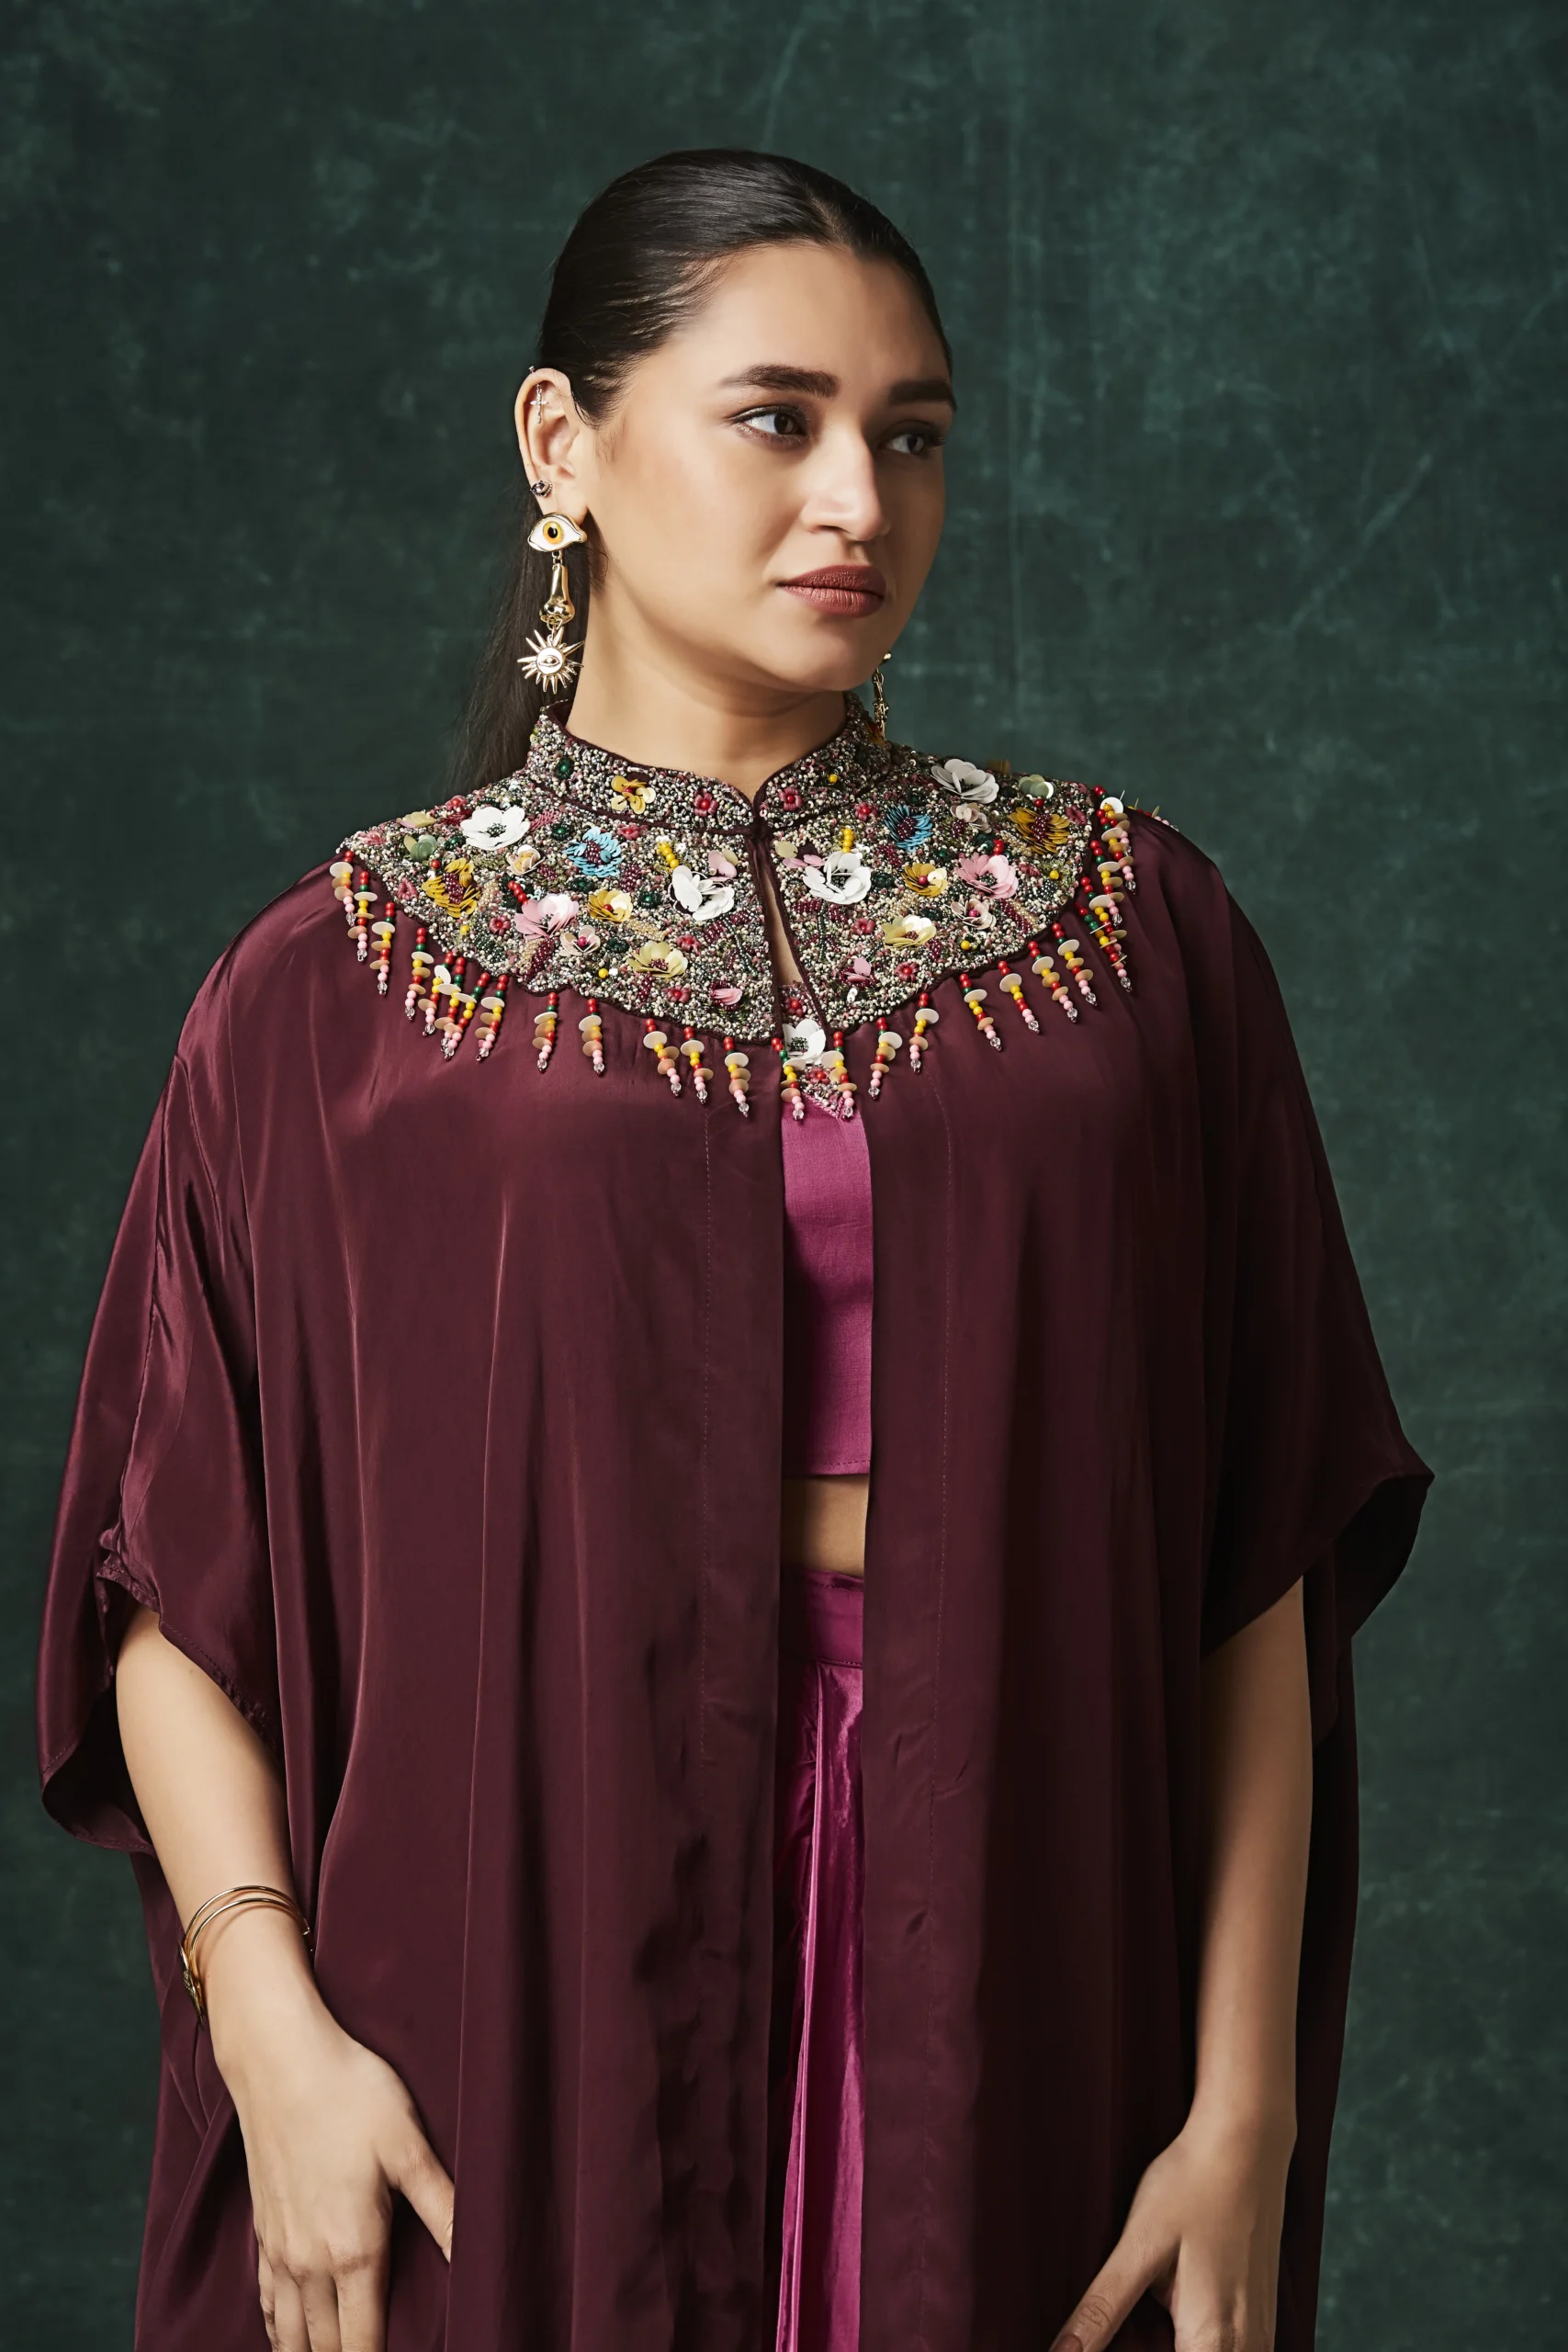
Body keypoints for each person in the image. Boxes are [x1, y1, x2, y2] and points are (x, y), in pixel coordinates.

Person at [35, 149, 1429, 2352]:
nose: (858, 498)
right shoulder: (335, 989)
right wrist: (269, 2025)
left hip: (1020, 1917)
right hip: (495, 1969)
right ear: (561, 444)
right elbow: (165, 1586)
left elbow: (1252, 1564)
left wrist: (1239, 2100)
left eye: (911, 433)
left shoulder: (1132, 940)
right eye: (778, 418)